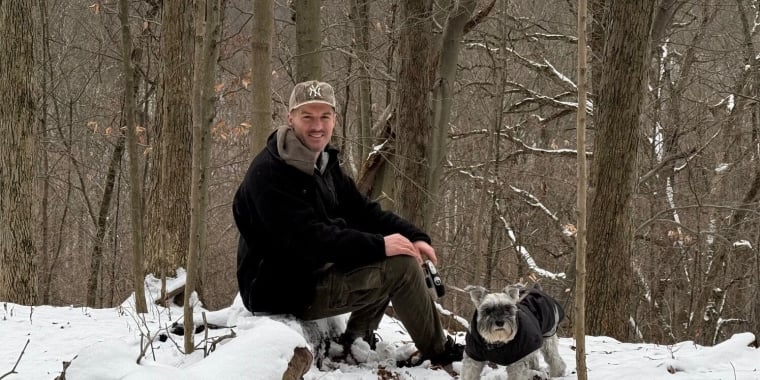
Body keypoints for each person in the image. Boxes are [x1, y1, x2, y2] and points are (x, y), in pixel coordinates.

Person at [232, 80, 462, 369]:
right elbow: (309, 241)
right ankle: (439, 353)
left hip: (309, 273)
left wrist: (412, 235)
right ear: (290, 119)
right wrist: (381, 245)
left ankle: (357, 341)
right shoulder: (270, 173)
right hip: (281, 290)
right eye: (308, 117)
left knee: (392, 248)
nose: (318, 126)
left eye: (325, 117)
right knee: (399, 264)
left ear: (334, 119)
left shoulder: (324, 163)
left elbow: (363, 211)